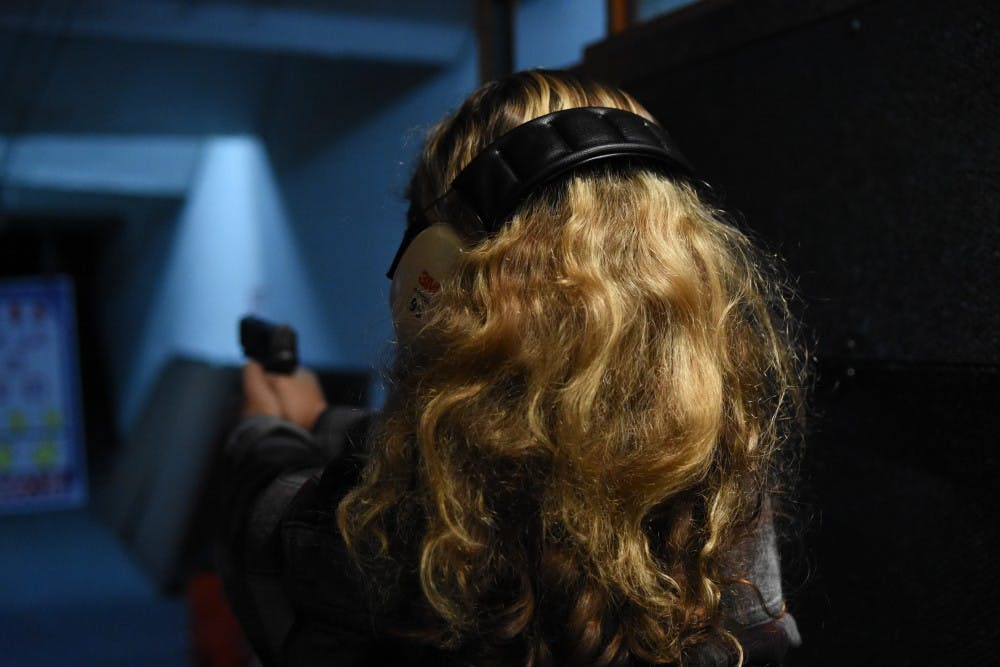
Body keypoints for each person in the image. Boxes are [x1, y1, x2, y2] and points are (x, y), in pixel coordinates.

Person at [219, 69, 806, 666]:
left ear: (437, 264)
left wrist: (263, 429)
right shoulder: (724, 486)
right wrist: (321, 421)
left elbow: (263, 526)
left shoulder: (412, 524)